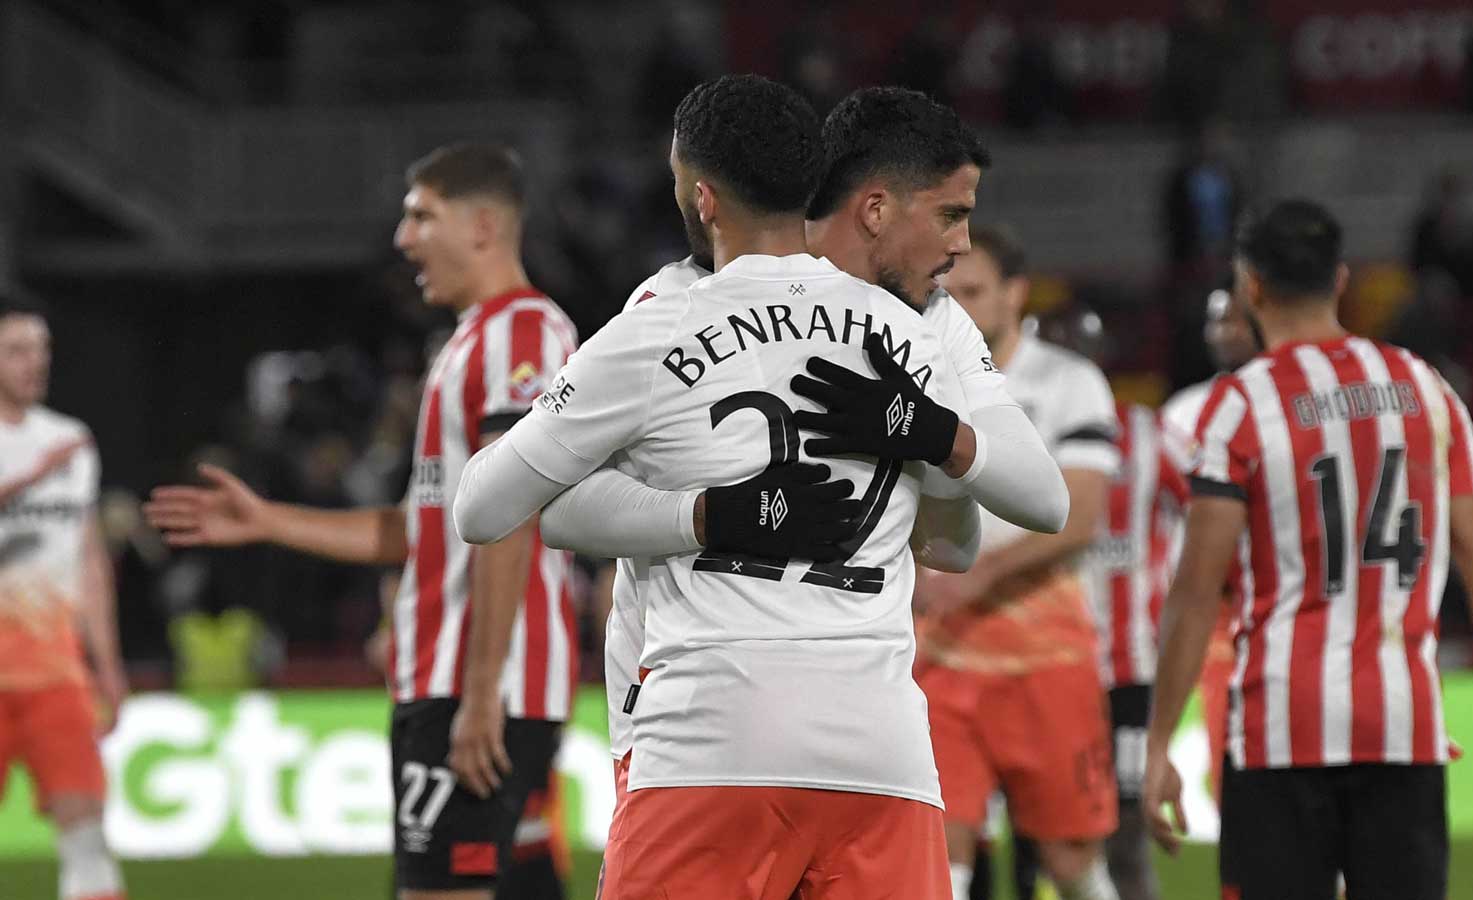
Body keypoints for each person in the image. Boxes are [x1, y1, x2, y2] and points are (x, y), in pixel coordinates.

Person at [452, 74, 1070, 900]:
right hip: (877, 744)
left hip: (708, 731)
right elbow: (955, 543)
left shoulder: (665, 318)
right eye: (952, 215)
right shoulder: (909, 334)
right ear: (867, 203)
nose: (961, 243)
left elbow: (498, 506)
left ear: (701, 197)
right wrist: (921, 449)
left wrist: (708, 515)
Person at [143, 144, 576, 900]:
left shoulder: (521, 335)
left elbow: (510, 514)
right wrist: (268, 520)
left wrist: (479, 697)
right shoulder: (466, 344)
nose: (403, 239)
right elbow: (423, 531)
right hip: (454, 684)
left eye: (421, 217)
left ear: (481, 226)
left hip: (472, 687)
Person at [1142, 199, 1473, 900]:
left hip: (1281, 727)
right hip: (1401, 723)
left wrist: (1158, 746)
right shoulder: (1424, 388)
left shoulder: (1241, 406)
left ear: (1251, 287)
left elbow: (1194, 593)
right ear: (1341, 280)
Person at [921, 224, 1120, 900]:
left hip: (1047, 658)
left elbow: (1081, 515)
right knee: (939, 865)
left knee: (1071, 865)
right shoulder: (922, 381)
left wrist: (977, 577)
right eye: (948, 291)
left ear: (1016, 293)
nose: (958, 305)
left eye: (974, 290)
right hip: (940, 660)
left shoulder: (1069, 382)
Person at [0, 297, 128, 900]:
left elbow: (89, 560)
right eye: (18, 350)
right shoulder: (52, 455)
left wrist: (107, 665)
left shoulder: (71, 442)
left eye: (41, 349)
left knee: (86, 838)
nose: (35, 364)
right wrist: (27, 479)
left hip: (56, 672)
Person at [1083, 393, 1190, 900]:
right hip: (1058, 666)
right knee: (1047, 834)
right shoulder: (1034, 416)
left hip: (1132, 667)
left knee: (1126, 830)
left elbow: (1208, 502)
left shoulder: (1149, 433)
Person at [1161, 284, 1264, 801]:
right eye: (1216, 320)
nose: (1224, 331)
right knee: (1231, 760)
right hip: (1216, 604)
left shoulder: (1280, 398)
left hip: (1276, 592)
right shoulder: (1184, 411)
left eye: (1236, 320)